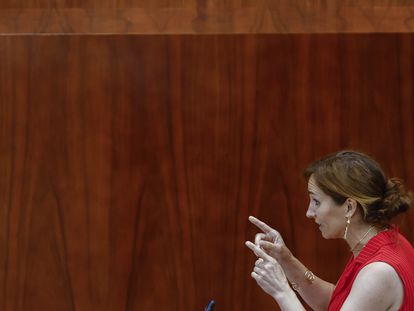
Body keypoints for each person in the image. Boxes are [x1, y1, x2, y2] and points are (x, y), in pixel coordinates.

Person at [245, 150, 414, 311]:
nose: (309, 213)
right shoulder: (388, 239)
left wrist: (282, 291)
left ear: (349, 207)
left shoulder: (379, 271)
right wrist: (285, 259)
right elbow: (338, 303)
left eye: (316, 202)